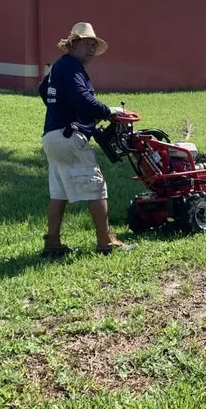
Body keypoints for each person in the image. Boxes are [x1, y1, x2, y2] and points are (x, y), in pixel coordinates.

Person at [39, 22, 132, 257]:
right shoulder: (72, 67)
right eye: (86, 44)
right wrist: (108, 111)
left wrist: (60, 109)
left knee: (58, 191)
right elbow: (83, 100)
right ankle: (106, 241)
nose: (91, 50)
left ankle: (53, 242)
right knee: (96, 186)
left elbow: (43, 90)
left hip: (52, 136)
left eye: (93, 45)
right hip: (70, 136)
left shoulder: (60, 66)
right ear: (73, 44)